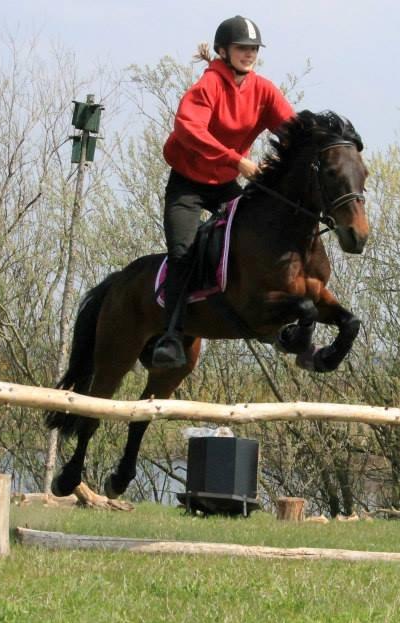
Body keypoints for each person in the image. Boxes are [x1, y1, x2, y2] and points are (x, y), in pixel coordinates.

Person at [151, 15, 296, 368]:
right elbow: (190, 131)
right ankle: (171, 335)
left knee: (257, 240)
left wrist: (320, 144)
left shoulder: (263, 90)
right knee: (183, 251)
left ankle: (272, 325)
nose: (249, 54)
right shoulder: (207, 87)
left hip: (225, 184)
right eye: (242, 48)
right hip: (188, 185)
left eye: (253, 49)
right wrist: (239, 161)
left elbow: (293, 129)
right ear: (223, 51)